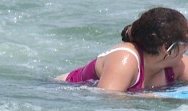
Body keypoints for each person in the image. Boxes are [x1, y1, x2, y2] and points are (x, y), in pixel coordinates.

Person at [56, 7, 188, 92]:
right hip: (62, 91)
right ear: (166, 47)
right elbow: (107, 100)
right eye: (186, 41)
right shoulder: (125, 59)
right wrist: (149, 98)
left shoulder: (176, 64)